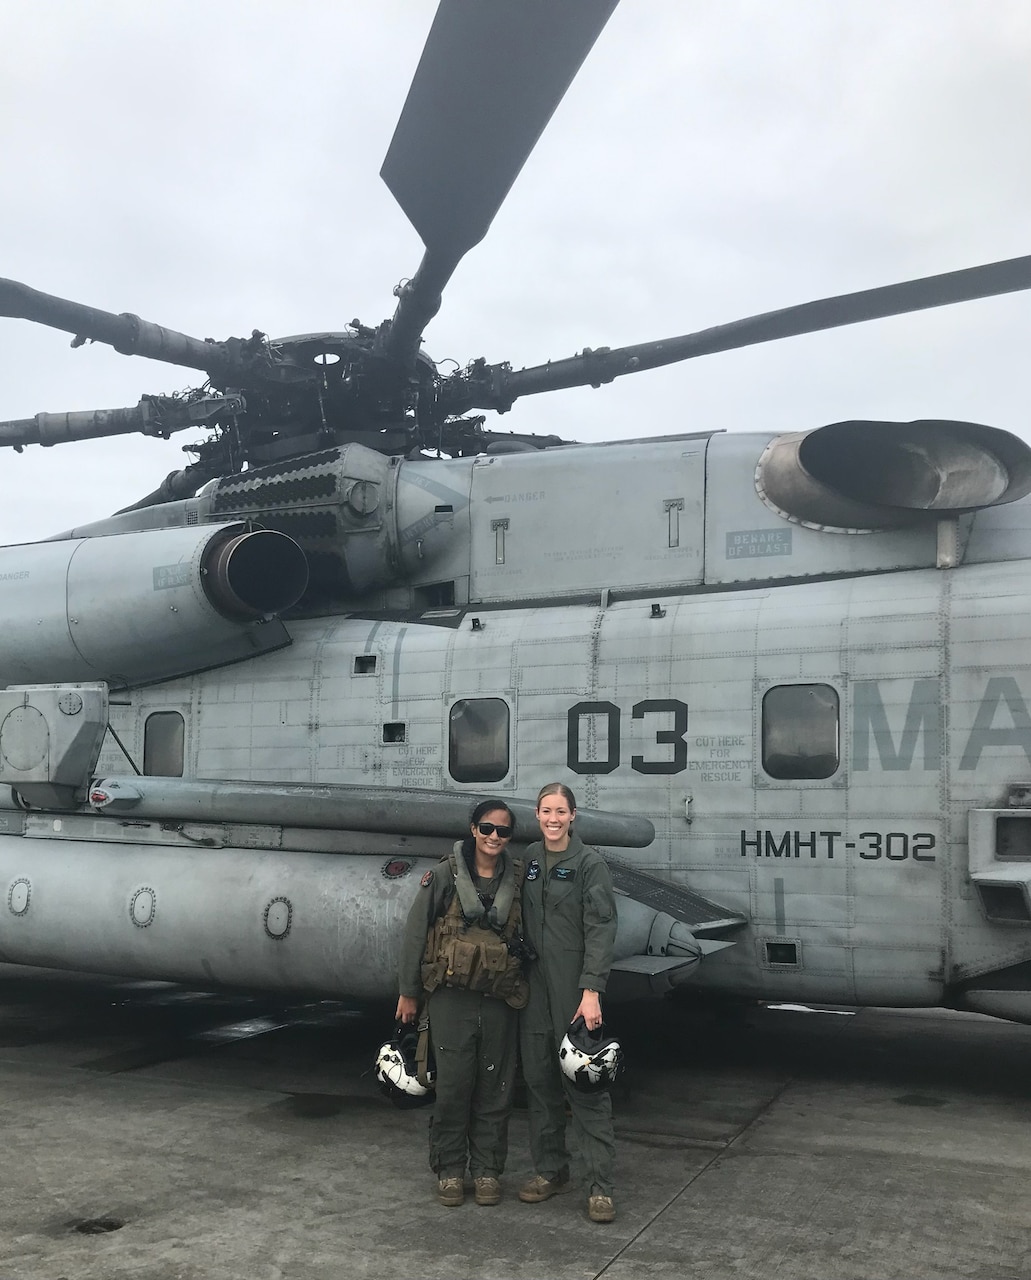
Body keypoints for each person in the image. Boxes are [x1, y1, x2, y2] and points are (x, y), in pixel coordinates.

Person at [395, 799, 528, 1208]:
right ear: (473, 829)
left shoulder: (519, 880)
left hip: (499, 1000)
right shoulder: (443, 876)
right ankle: (450, 1168)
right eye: (487, 828)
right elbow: (416, 933)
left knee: (496, 1088)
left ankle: (487, 1169)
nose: (494, 837)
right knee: (453, 1087)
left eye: (503, 831)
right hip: (450, 999)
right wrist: (408, 992)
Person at [518, 782, 619, 1224]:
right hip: (533, 991)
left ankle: (599, 1186)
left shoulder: (590, 865)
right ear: (537, 815)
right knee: (539, 1085)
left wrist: (592, 990)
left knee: (586, 1088)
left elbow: (601, 927)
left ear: (573, 815)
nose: (553, 818)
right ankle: (551, 1170)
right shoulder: (529, 861)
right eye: (546, 811)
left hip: (575, 993)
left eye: (561, 811)